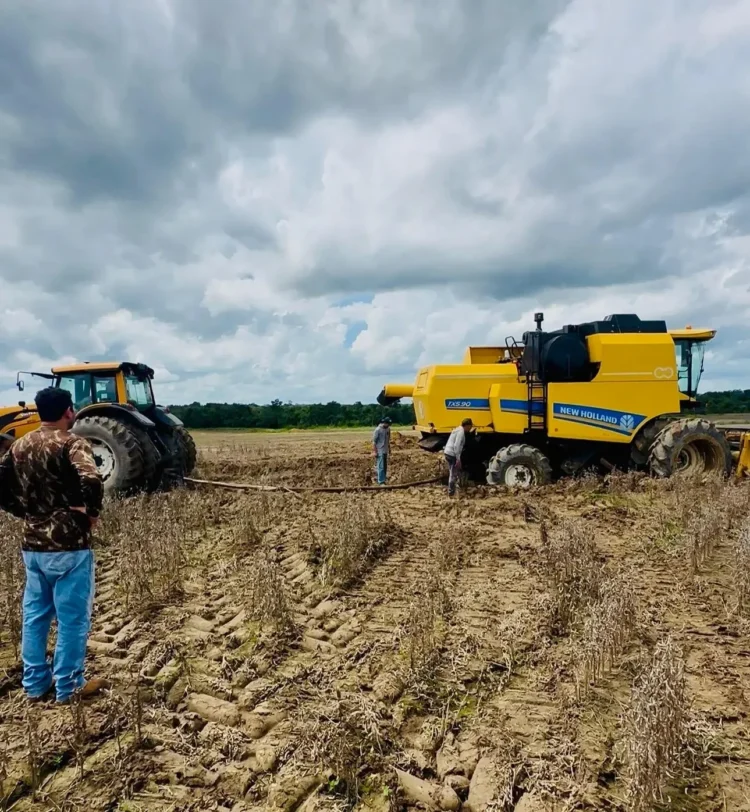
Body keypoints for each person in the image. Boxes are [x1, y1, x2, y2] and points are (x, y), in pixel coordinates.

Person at [0, 387, 107, 704]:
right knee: (73, 619)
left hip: (33, 545)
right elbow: (90, 479)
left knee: (35, 616)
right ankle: (69, 685)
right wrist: (90, 515)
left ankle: (34, 684)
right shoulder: (72, 442)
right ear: (69, 412)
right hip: (69, 544)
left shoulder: (20, 444)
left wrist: (23, 511)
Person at [443, 418, 473, 496]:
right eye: (470, 426)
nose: (470, 428)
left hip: (447, 452)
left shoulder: (457, 429)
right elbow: (457, 445)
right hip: (452, 454)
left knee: (454, 471)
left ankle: (458, 488)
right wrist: (458, 459)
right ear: (467, 425)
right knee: (453, 473)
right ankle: (451, 492)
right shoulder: (461, 432)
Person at [372, 416, 392, 486]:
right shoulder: (377, 430)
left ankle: (384, 479)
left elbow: (388, 440)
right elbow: (374, 442)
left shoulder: (388, 429)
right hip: (379, 450)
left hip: (385, 450)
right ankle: (381, 481)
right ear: (384, 423)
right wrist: (375, 452)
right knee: (380, 466)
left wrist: (389, 449)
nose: (388, 425)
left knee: (385, 466)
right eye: (388, 424)